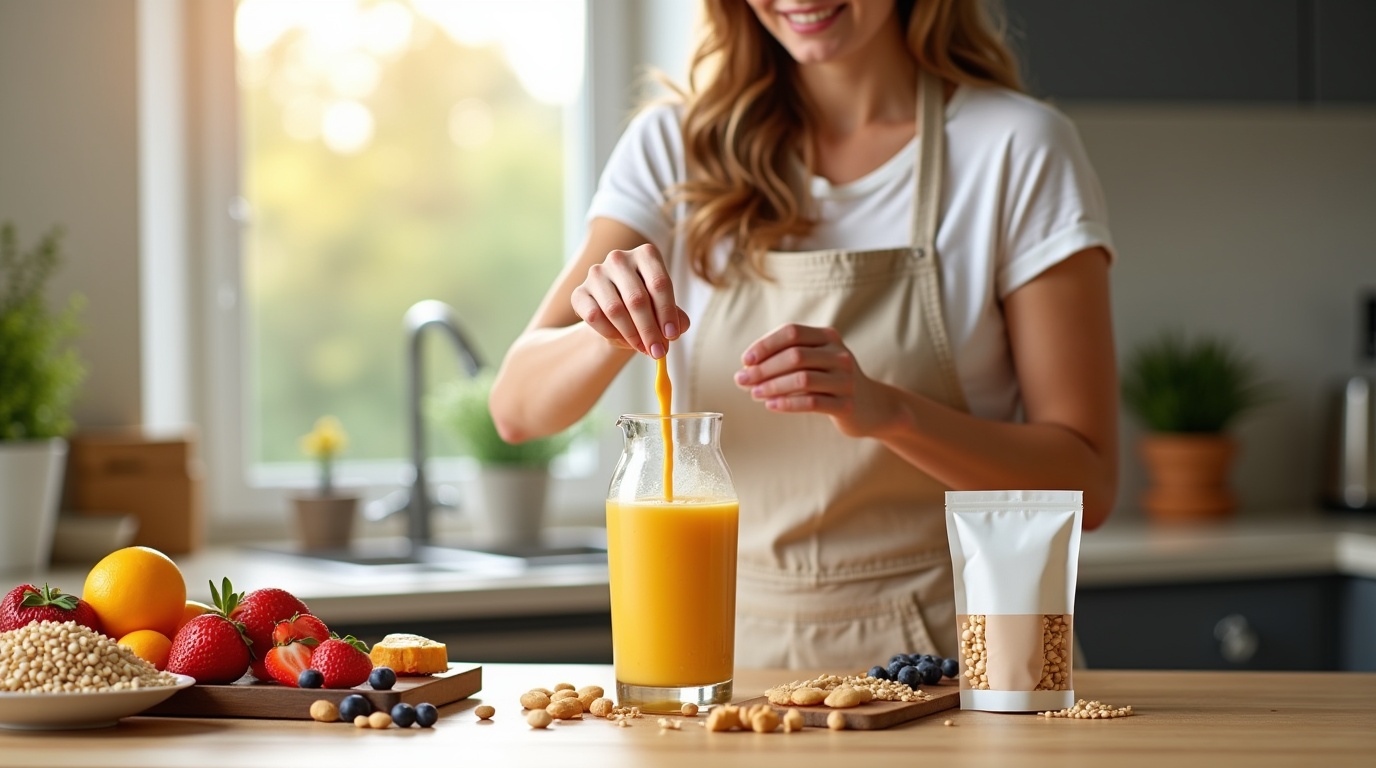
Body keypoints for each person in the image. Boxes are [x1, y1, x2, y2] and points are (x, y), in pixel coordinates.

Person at [490, 0, 1118, 668]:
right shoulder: (675, 149)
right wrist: (607, 333)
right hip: (727, 657)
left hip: (964, 655)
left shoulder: (1018, 148)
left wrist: (892, 413)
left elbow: (1088, 484)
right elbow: (517, 410)